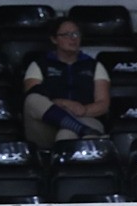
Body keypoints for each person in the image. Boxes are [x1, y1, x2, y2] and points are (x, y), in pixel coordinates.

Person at [23, 17, 110, 148]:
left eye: (76, 34)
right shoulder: (40, 65)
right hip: (48, 125)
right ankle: (81, 129)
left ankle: (77, 129)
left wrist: (82, 110)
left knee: (66, 134)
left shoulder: (94, 65)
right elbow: (35, 97)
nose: (73, 38)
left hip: (86, 118)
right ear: (54, 39)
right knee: (32, 99)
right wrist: (64, 104)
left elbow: (103, 104)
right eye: (66, 35)